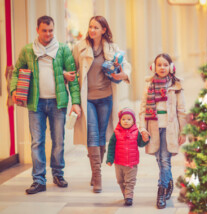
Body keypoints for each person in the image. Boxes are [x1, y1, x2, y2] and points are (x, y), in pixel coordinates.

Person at [10, 16, 81, 194]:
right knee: (37, 142)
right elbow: (16, 71)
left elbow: (73, 78)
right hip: (36, 104)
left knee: (58, 142)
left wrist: (76, 102)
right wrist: (13, 91)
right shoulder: (28, 50)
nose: (48, 34)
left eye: (51, 30)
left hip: (58, 103)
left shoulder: (63, 49)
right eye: (44, 30)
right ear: (37, 30)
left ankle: (58, 174)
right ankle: (39, 180)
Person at [71, 16, 131, 193]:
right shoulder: (80, 48)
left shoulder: (113, 48)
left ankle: (95, 171)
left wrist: (124, 74)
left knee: (102, 136)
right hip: (87, 99)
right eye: (90, 26)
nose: (92, 30)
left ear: (104, 30)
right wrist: (70, 80)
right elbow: (74, 71)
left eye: (96, 27)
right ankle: (97, 176)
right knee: (92, 136)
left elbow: (126, 66)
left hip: (106, 98)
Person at [139, 53, 187, 209]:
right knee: (159, 160)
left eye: (165, 65)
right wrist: (142, 128)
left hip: (169, 129)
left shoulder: (176, 86)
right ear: (154, 67)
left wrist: (183, 131)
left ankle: (161, 191)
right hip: (153, 128)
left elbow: (181, 111)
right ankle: (169, 181)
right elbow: (142, 110)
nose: (162, 68)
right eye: (159, 65)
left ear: (171, 67)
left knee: (165, 160)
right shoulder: (148, 86)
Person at [106, 108, 149, 206]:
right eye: (123, 119)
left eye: (129, 119)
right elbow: (111, 146)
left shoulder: (136, 132)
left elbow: (141, 144)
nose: (126, 121)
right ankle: (125, 194)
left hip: (131, 163)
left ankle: (129, 196)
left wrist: (145, 138)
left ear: (133, 121)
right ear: (120, 121)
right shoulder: (116, 133)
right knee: (120, 180)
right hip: (118, 163)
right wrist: (110, 159)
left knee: (130, 181)